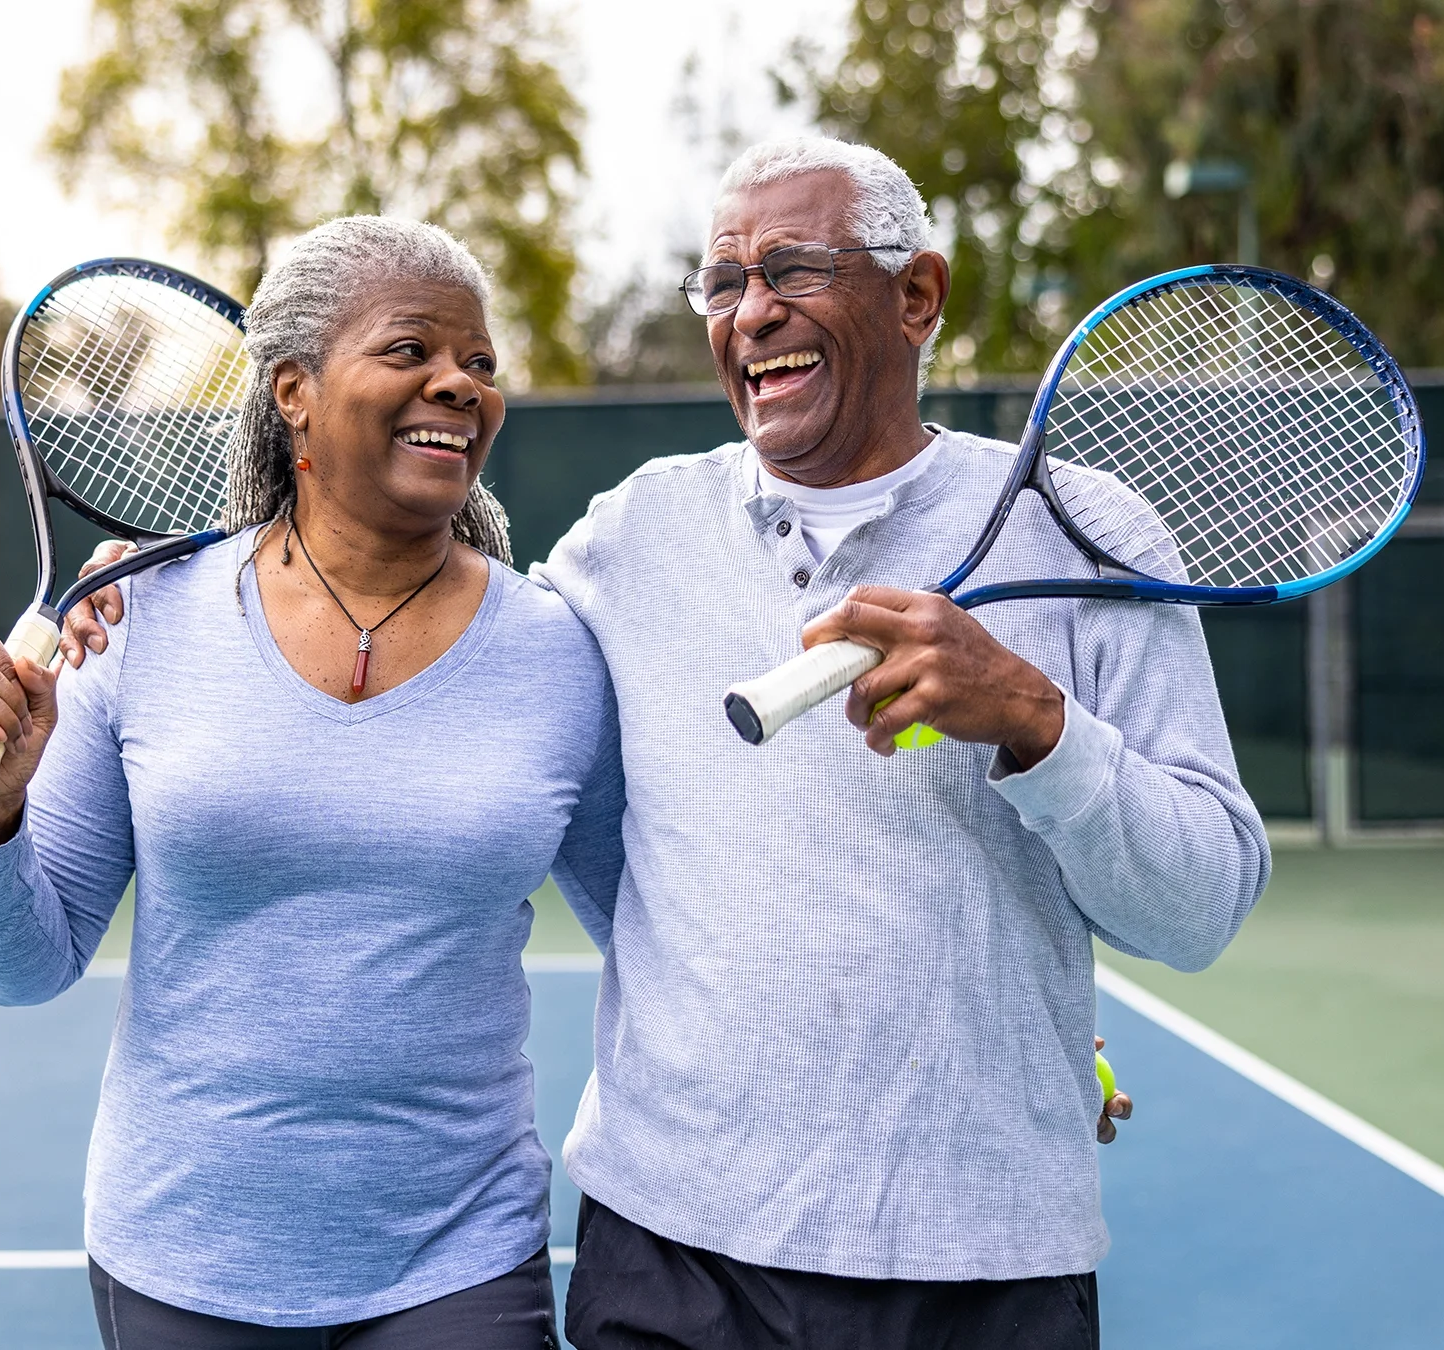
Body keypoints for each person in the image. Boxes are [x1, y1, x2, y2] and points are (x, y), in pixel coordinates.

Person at [525, 135, 1269, 1348]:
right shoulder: (630, 534)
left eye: (794, 269)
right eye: (725, 283)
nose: (752, 311)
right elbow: (473, 682)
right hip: (671, 1253)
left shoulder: (1089, 531)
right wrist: (154, 602)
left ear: (917, 295)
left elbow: (1201, 906)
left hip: (985, 1259)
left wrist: (1034, 722)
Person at [0, 216, 621, 1348]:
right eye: (411, 351)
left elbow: (658, 921)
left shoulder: (555, 651)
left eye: (481, 364)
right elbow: (24, 967)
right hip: (182, 1254)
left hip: (460, 1259)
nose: (459, 383)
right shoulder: (133, 621)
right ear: (293, 390)